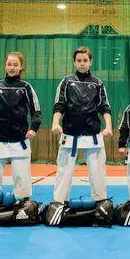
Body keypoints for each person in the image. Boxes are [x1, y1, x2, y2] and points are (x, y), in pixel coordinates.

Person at [51, 46, 112, 203]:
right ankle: (59, 202)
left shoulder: (97, 83)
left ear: (90, 62)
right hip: (70, 133)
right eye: (79, 60)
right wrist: (55, 123)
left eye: (85, 60)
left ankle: (100, 202)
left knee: (97, 172)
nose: (82, 63)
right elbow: (59, 105)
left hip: (93, 133)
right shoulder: (66, 82)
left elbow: (104, 106)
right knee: (64, 171)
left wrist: (109, 126)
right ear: (74, 62)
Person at [0, 51, 42, 199]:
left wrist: (34, 128)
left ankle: (23, 202)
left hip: (20, 140)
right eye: (9, 64)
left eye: (15, 64)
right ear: (5, 66)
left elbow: (36, 110)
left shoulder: (26, 87)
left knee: (21, 176)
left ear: (21, 67)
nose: (12, 67)